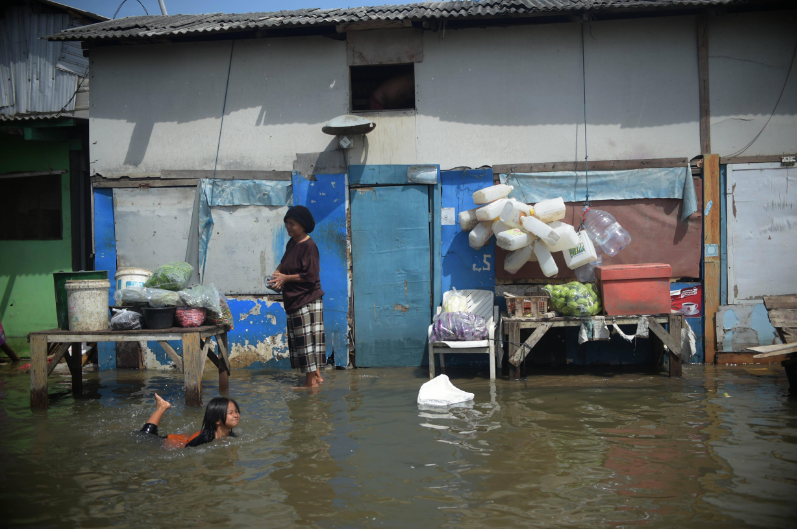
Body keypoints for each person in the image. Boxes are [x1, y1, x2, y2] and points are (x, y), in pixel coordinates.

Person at [268, 205, 327, 389]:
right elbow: (285, 263)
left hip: (307, 299)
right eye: (287, 223)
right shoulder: (292, 242)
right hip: (295, 299)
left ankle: (310, 384)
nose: (288, 227)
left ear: (303, 225)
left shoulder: (309, 246)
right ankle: (316, 376)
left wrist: (285, 278)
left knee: (307, 342)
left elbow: (310, 275)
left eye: (292, 224)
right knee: (305, 341)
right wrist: (278, 273)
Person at [140, 394, 240, 448]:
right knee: (146, 436)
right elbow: (187, 449)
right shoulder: (205, 438)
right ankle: (161, 407)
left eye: (236, 411)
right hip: (168, 441)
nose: (236, 415)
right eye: (230, 413)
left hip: (182, 438)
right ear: (217, 420)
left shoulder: (231, 436)